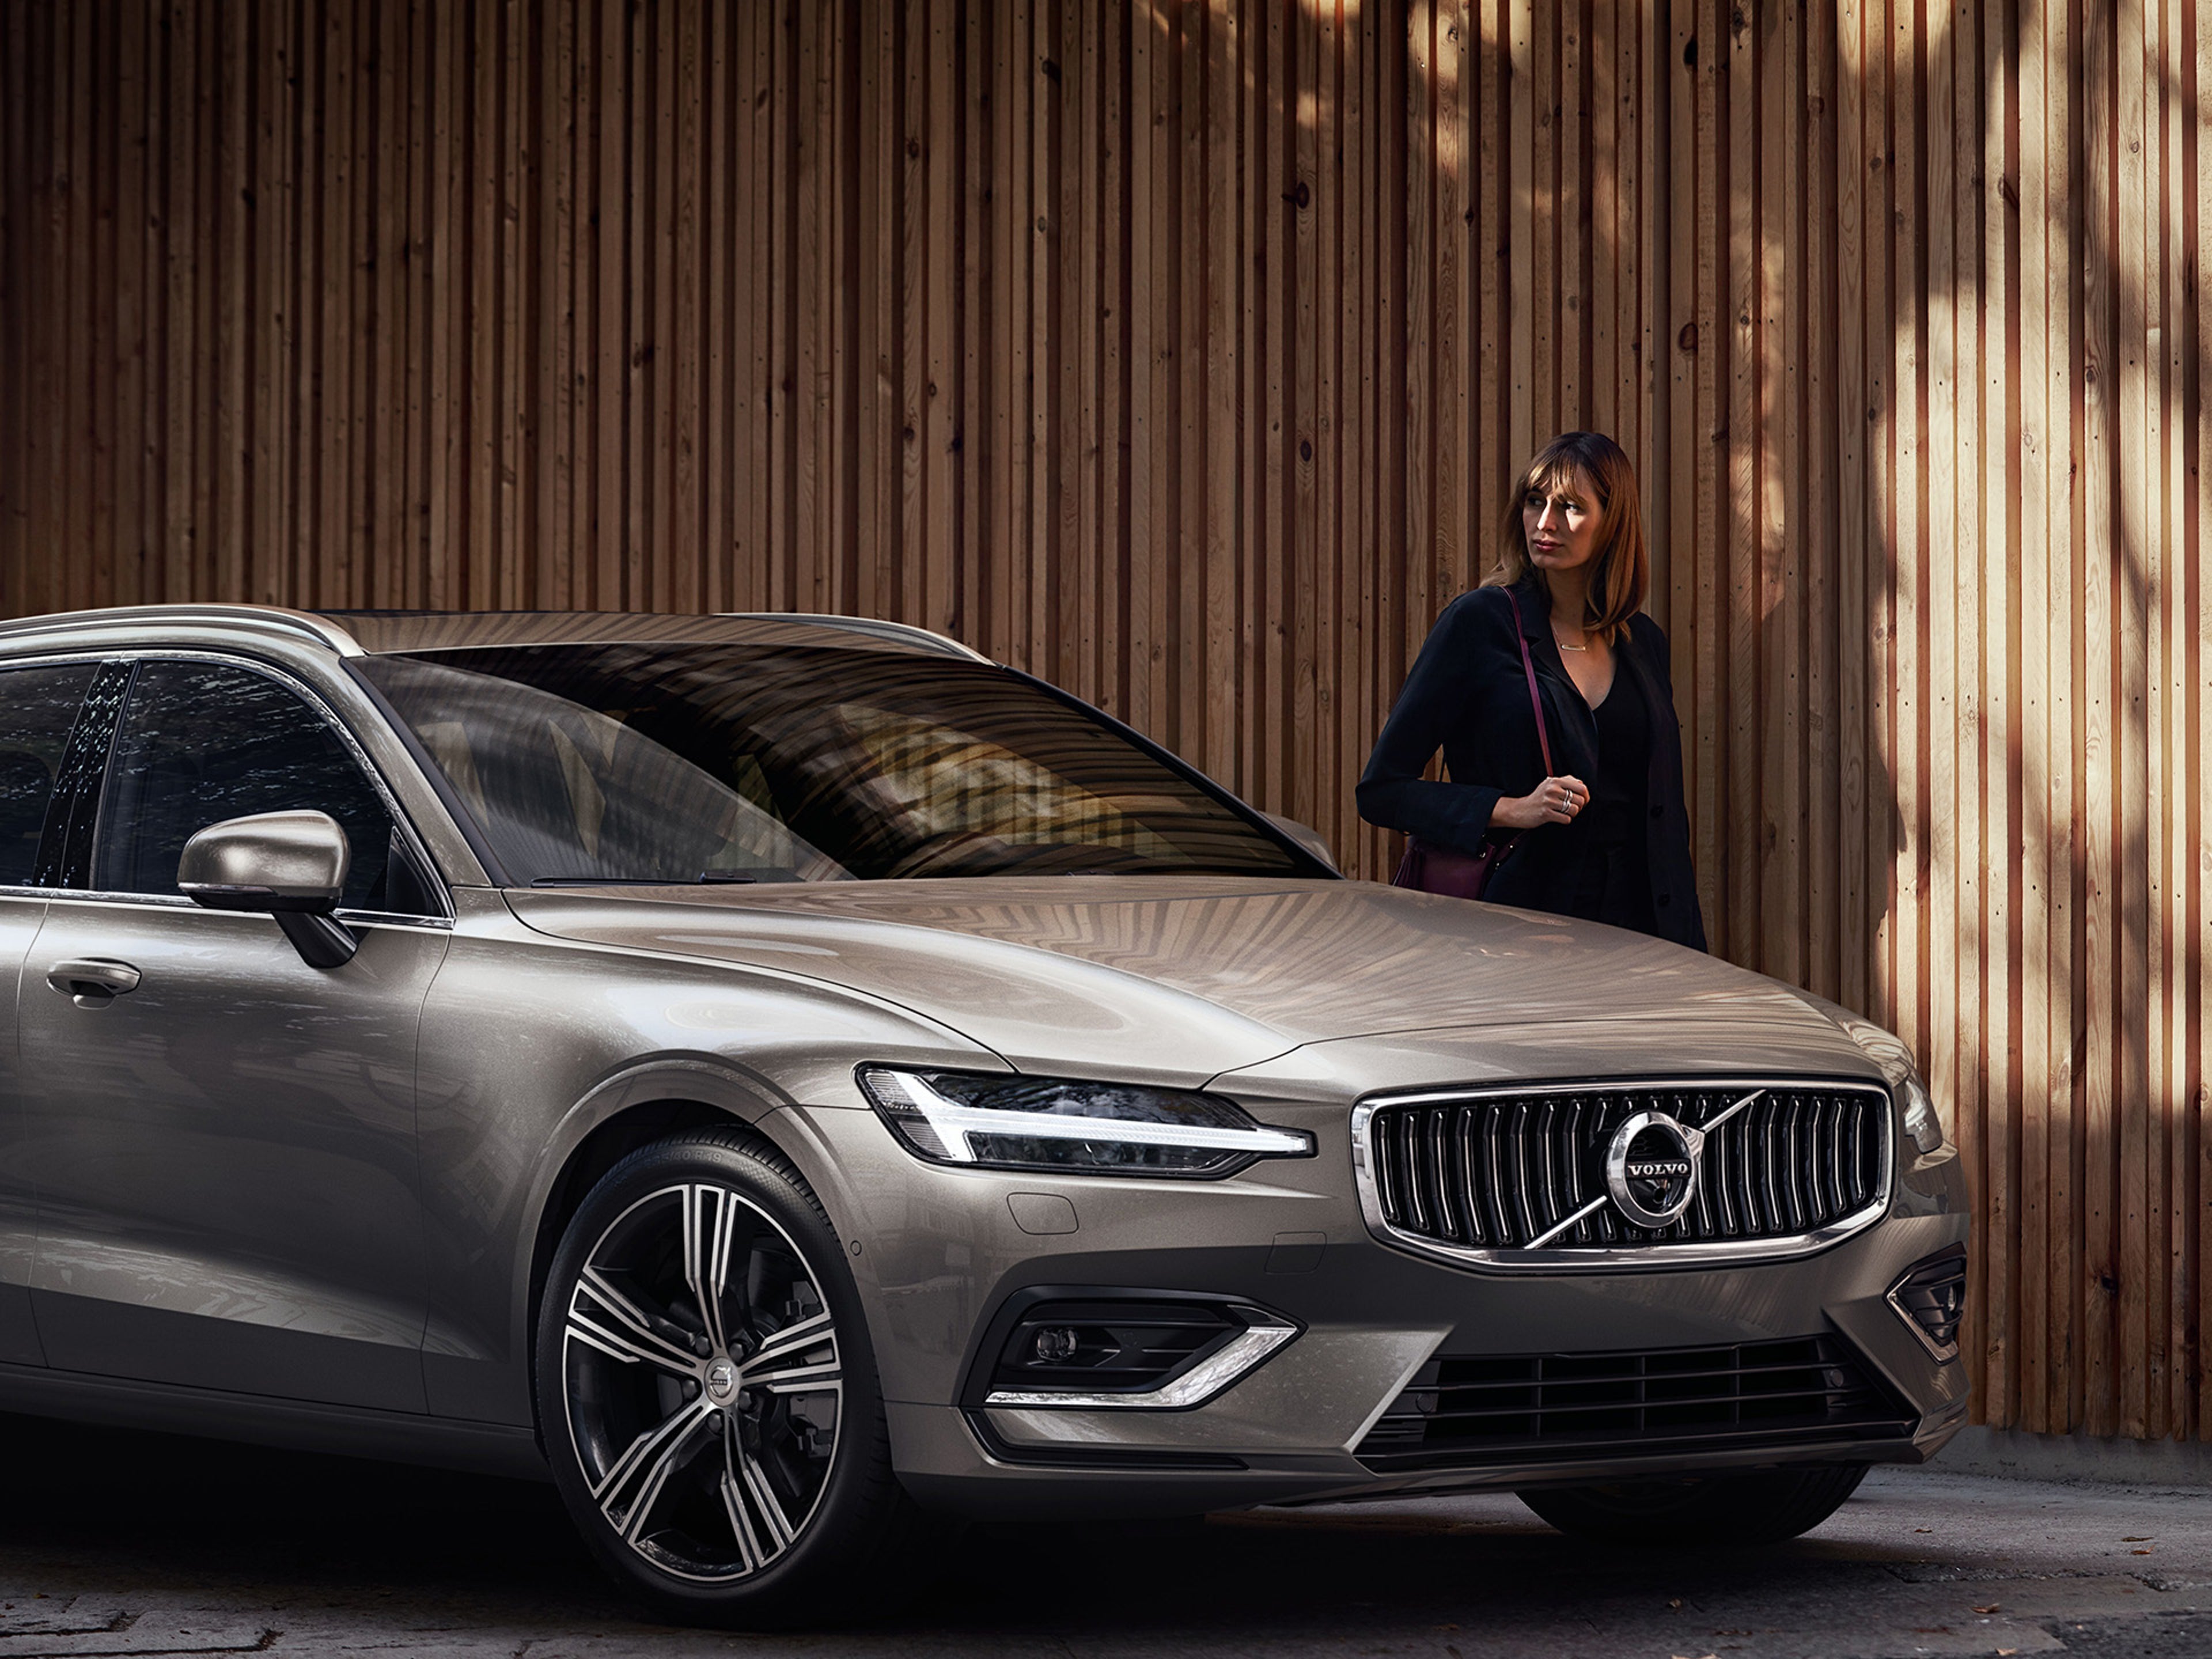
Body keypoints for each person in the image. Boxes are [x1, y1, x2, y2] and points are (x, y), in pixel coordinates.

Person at [1356, 430, 1706, 949]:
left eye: (1569, 507)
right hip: (1518, 930)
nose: (1544, 523)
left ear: (1613, 522)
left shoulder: (1642, 642)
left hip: (1639, 929)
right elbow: (1381, 791)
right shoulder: (1479, 623)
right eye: (1535, 501)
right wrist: (1508, 808)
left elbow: (1665, 817)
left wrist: (1685, 947)